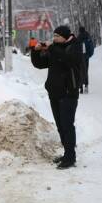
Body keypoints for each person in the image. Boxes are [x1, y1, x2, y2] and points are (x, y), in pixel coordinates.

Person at [31, 25, 83, 169]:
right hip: (54, 93)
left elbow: (69, 60)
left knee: (67, 125)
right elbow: (41, 64)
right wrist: (35, 52)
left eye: (57, 36)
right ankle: (67, 153)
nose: (54, 39)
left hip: (68, 93)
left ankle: (70, 158)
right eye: (53, 36)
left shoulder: (75, 47)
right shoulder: (55, 49)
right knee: (60, 126)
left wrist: (52, 48)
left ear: (65, 37)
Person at [77, 27, 94, 94]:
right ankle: (86, 86)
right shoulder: (88, 37)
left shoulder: (78, 38)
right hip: (86, 57)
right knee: (86, 70)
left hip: (79, 57)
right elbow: (91, 47)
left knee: (80, 71)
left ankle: (80, 87)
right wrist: (89, 55)